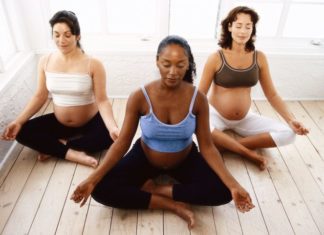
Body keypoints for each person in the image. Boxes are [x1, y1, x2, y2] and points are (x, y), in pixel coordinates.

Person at [71, 35, 254, 228]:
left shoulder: (198, 99)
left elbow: (207, 147)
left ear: (187, 64)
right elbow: (122, 143)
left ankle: (156, 189)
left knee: (224, 192)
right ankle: (170, 205)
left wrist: (234, 185)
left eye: (180, 64)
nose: (173, 72)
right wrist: (92, 179)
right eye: (166, 64)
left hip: (184, 159)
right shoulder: (139, 97)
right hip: (145, 157)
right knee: (99, 189)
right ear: (157, 61)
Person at [1, 10, 119, 168]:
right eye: (56, 35)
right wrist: (18, 121)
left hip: (89, 120)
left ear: (78, 36)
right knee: (22, 132)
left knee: (107, 137)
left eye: (67, 35)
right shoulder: (45, 61)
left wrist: (112, 127)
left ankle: (59, 146)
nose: (61, 40)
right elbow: (40, 96)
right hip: (60, 121)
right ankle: (72, 153)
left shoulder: (93, 64)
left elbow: (102, 101)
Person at [198, 6, 309, 170]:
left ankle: (232, 146)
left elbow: (272, 94)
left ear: (253, 29)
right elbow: (200, 95)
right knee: (196, 135)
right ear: (229, 27)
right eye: (238, 25)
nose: (243, 31)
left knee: (289, 135)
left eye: (248, 26)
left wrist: (291, 120)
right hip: (215, 116)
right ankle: (244, 151)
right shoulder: (215, 58)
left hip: (244, 118)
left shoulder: (260, 58)